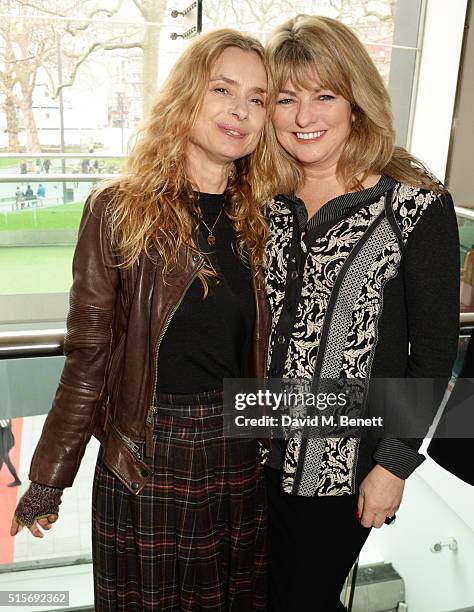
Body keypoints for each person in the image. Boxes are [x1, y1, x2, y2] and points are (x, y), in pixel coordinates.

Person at [11, 29, 271, 611]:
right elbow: (88, 359)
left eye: (257, 98)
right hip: (145, 456)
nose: (240, 111)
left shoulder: (264, 217)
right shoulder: (118, 209)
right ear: (185, 97)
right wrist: (51, 475)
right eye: (222, 89)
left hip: (237, 451)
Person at [260, 15, 460, 611]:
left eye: (324, 96)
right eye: (286, 98)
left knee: (305, 599)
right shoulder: (261, 197)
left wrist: (394, 466)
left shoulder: (416, 204)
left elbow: (432, 354)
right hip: (250, 449)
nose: (304, 117)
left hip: (347, 465)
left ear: (356, 102)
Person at [0, 419, 21, 487]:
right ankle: (17, 480)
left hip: (4, 443)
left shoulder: (4, 417)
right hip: (5, 442)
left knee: (6, 461)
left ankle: (17, 480)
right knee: (1, 459)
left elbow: (4, 427)